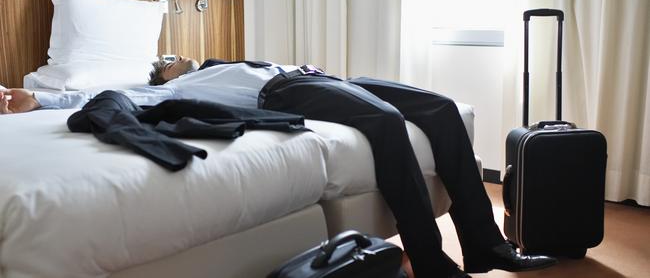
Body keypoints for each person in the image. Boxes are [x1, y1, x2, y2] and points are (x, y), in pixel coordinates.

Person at [0, 57, 557, 278]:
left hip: (325, 73)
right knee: (386, 123)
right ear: (162, 75)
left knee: (439, 108)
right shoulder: (159, 88)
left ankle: (485, 244)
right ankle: (431, 261)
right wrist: (34, 99)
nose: (178, 58)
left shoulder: (222, 60)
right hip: (286, 92)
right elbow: (93, 95)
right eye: (167, 60)